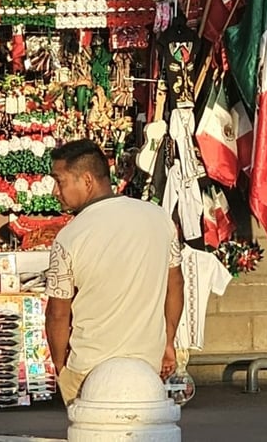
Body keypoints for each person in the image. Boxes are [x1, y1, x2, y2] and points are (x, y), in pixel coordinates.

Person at [44, 138, 184, 405]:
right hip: (147, 363)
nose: (55, 191)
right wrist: (168, 342)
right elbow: (175, 285)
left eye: (60, 181)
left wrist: (61, 368)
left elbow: (57, 314)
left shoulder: (70, 238)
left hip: (88, 368)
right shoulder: (159, 219)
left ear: (86, 181)